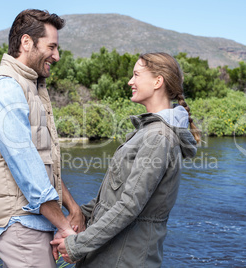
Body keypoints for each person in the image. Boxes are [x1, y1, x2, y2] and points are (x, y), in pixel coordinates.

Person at [51, 52, 200, 267]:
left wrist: (77, 245)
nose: (130, 81)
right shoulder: (148, 133)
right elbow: (113, 198)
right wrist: (78, 217)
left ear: (158, 81)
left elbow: (130, 205)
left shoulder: (158, 137)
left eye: (137, 75)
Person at [0, 9, 84, 268]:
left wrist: (72, 206)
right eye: (52, 47)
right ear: (26, 42)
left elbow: (42, 163)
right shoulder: (4, 86)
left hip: (34, 222)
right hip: (21, 224)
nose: (56, 56)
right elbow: (26, 166)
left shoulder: (29, 86)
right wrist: (65, 227)